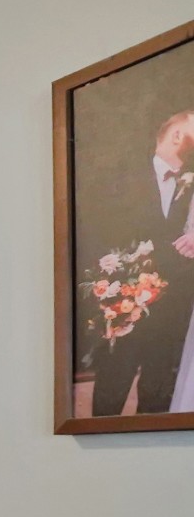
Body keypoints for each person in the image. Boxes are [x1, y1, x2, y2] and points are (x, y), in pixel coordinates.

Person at [89, 110, 194, 416]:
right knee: (112, 384)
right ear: (177, 136)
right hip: (124, 303)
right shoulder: (120, 178)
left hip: (174, 306)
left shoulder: (192, 185)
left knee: (158, 389)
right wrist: (110, 292)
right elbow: (97, 233)